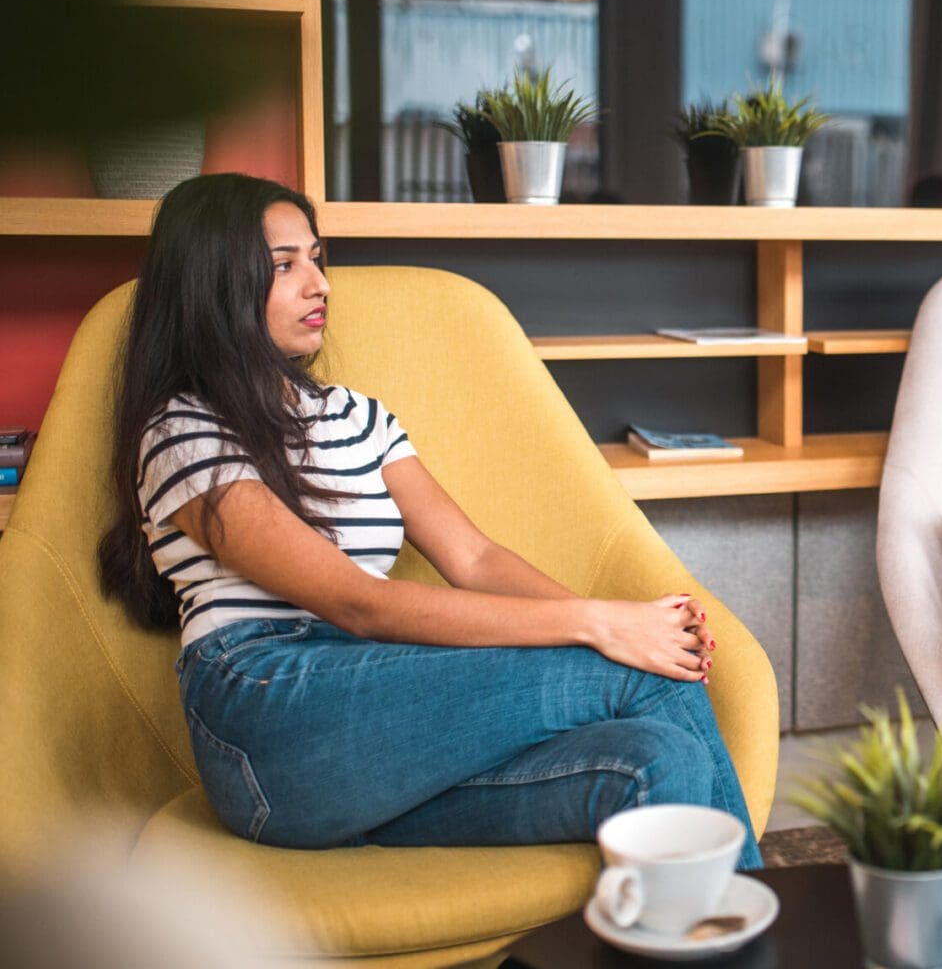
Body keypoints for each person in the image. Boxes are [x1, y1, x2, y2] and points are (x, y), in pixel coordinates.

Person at [97, 173, 761, 864]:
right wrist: (604, 629)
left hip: (380, 732)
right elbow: (358, 603)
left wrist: (622, 631)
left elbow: (473, 559)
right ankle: (761, 927)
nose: (318, 283)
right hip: (266, 718)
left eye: (317, 258)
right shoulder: (183, 428)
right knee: (643, 675)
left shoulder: (359, 418)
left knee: (661, 756)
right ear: (213, 283)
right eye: (283, 265)